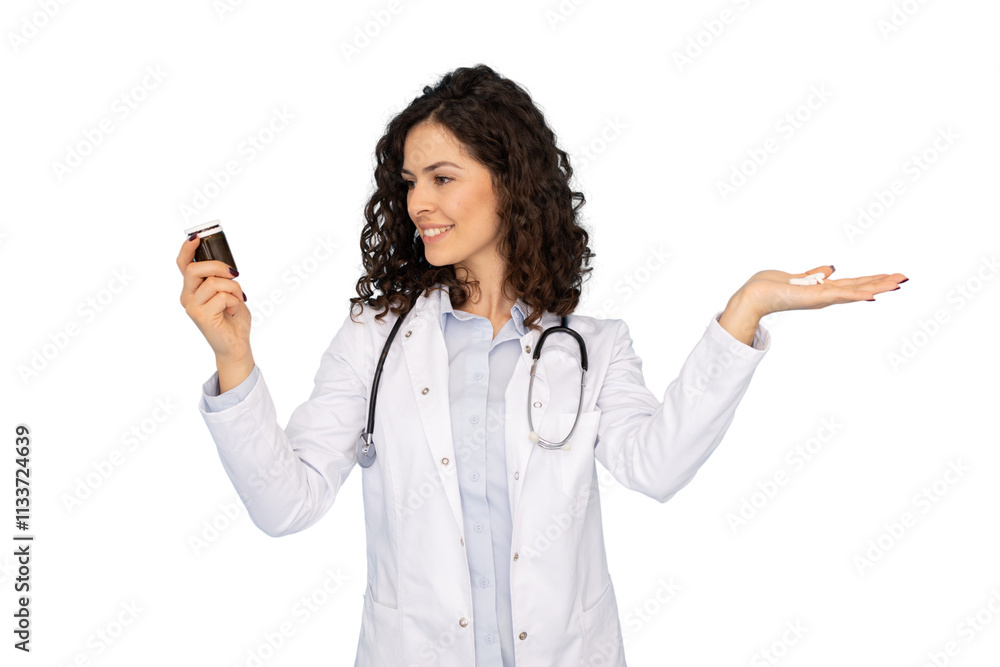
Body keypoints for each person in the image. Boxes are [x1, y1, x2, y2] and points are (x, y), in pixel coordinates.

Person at [177, 64, 907, 667]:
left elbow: (656, 466)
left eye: (441, 178)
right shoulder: (375, 340)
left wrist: (745, 310)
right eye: (409, 182)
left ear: (508, 182)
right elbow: (286, 505)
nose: (418, 202)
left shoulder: (593, 347)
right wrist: (233, 356)